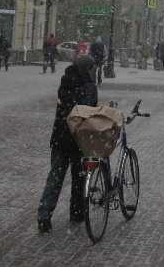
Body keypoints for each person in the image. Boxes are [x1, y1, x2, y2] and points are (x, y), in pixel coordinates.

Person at [37, 54, 98, 233]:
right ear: (88, 69)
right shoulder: (88, 87)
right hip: (77, 139)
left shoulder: (65, 83)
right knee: (79, 178)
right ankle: (77, 212)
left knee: (55, 177)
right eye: (93, 68)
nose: (94, 71)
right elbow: (89, 112)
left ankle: (44, 214)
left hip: (59, 137)